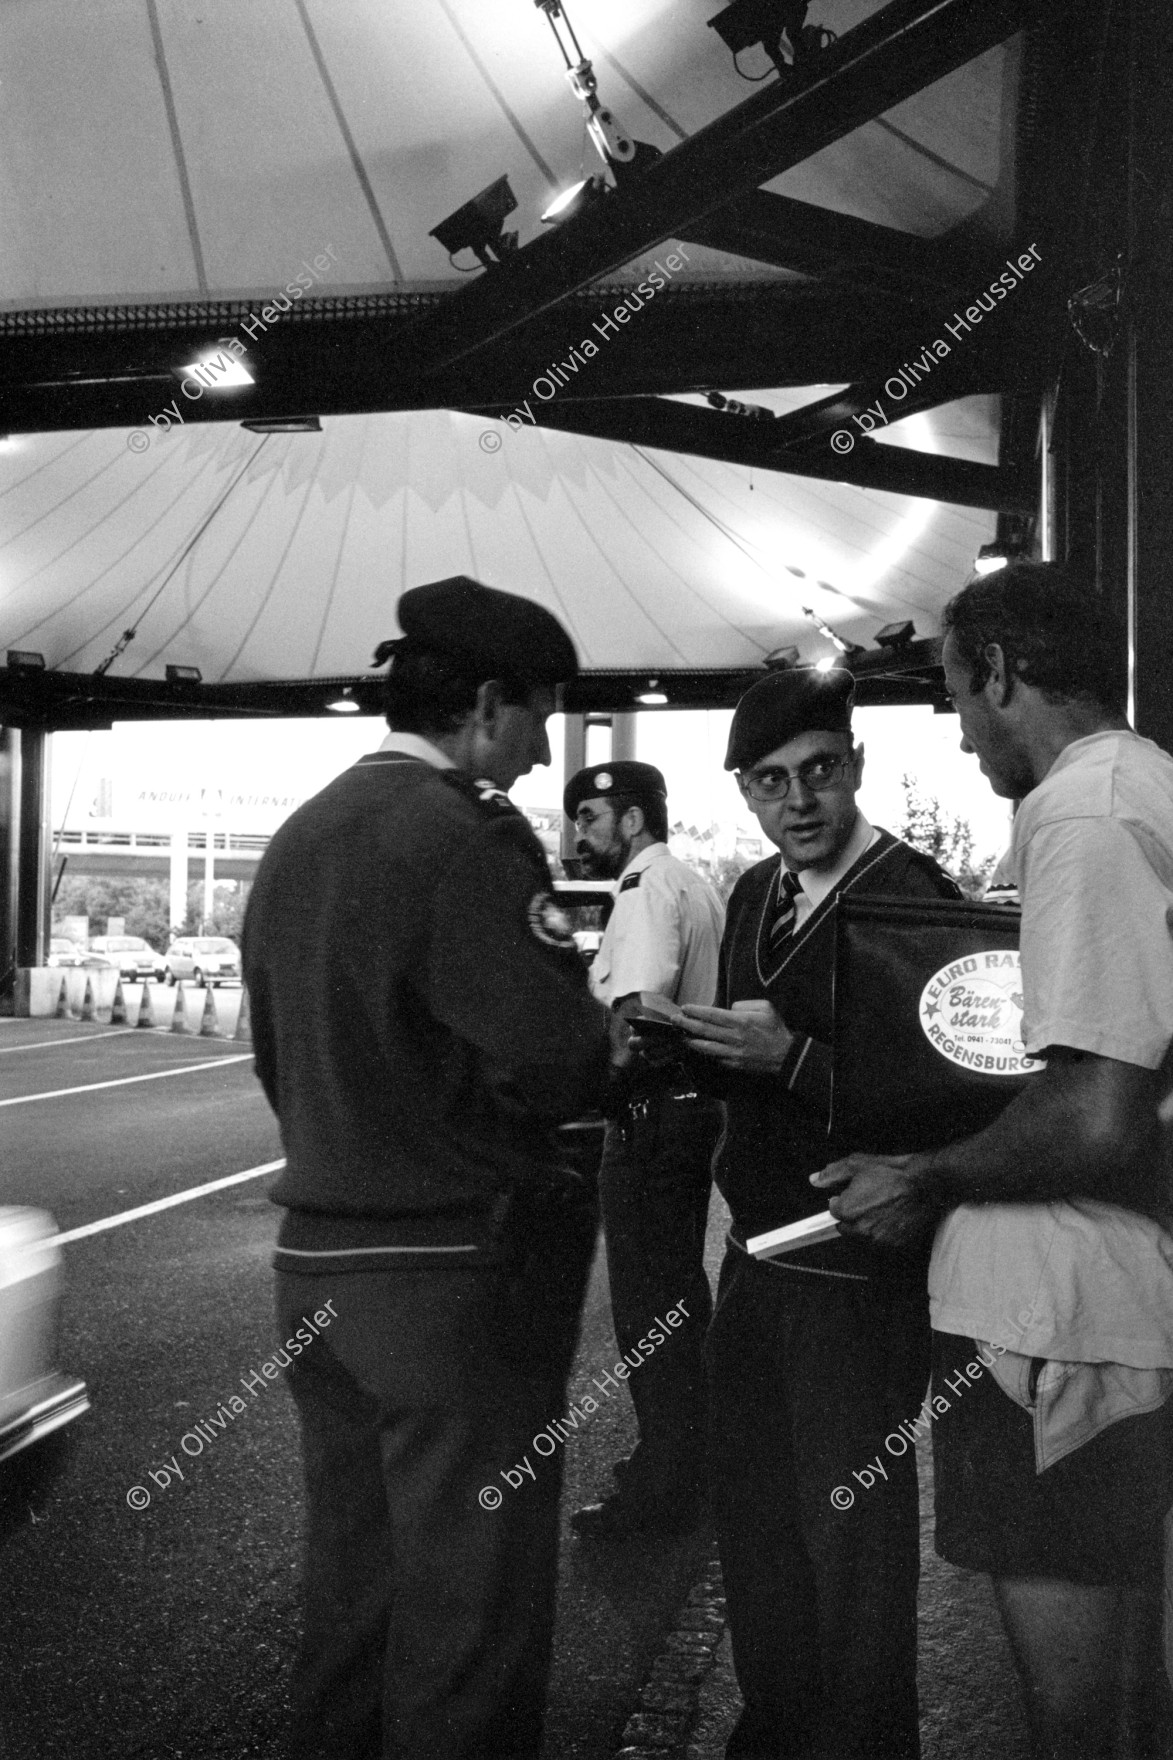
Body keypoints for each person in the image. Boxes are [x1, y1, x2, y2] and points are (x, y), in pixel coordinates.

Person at [242, 575, 618, 1760]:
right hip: (452, 1275)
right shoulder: (464, 834)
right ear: (491, 704)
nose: (546, 743)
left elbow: (278, 1052)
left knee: (354, 1601)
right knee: (470, 1618)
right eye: (544, 714)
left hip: (317, 1265)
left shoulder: (303, 833)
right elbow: (562, 1056)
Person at [813, 562, 1173, 1760]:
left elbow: (1094, 1110)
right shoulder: (1137, 788)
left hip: (1061, 1320)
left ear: (1007, 673)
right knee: (1123, 1696)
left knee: (1078, 1713)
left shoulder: (1083, 811)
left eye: (959, 695)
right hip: (1095, 1312)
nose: (962, 732)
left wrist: (924, 1176)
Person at [678, 665, 961, 1760]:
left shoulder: (912, 897)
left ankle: (864, 1742)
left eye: (819, 771)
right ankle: (778, 1726)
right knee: (755, 1522)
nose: (800, 800)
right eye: (770, 782)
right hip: (753, 1257)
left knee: (851, 1540)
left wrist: (791, 1058)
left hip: (853, 1275)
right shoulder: (754, 892)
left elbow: (952, 1094)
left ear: (857, 767)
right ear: (746, 794)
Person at [563, 760, 725, 1538]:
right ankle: (683, 1461)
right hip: (693, 1109)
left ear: (630, 822)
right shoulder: (693, 882)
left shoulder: (640, 890)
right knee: (676, 1296)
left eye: (588, 817)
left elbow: (637, 1014)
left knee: (649, 1307)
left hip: (652, 1114)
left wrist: (590, 1093)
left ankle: (667, 1489)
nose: (578, 835)